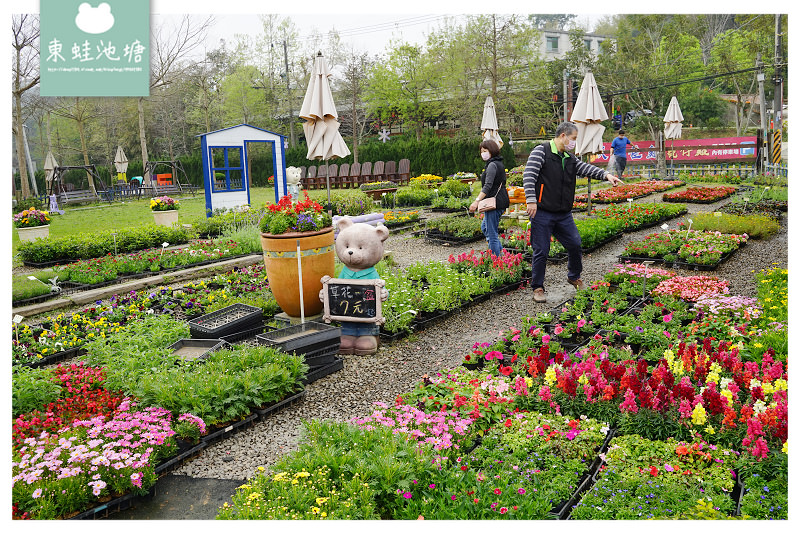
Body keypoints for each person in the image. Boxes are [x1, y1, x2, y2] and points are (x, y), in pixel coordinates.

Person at [523, 121, 624, 303]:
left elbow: (585, 168)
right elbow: (529, 175)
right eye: (573, 138)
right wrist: (531, 200)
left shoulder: (569, 157)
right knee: (541, 251)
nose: (574, 143)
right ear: (563, 136)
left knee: (575, 244)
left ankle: (573, 276)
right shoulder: (541, 151)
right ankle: (538, 287)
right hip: (543, 211)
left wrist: (606, 175)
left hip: (563, 213)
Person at [469, 139, 509, 256]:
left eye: (485, 150)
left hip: (494, 202)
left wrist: (476, 201)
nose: (483, 153)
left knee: (491, 234)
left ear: (491, 150)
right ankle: (500, 251)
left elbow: (488, 186)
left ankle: (496, 261)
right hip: (499, 200)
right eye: (481, 151)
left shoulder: (492, 165)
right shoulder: (496, 163)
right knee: (485, 227)